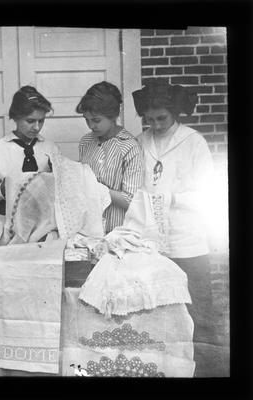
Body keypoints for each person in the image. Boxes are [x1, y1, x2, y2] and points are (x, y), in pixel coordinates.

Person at [132, 80, 215, 376]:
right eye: (149, 119)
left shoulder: (193, 142)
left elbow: (208, 193)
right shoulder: (142, 142)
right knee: (159, 310)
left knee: (197, 311)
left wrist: (173, 198)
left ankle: (206, 368)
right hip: (154, 239)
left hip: (188, 239)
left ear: (175, 113)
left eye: (162, 119)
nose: (155, 125)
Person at [77, 81, 144, 234]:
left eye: (96, 120)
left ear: (113, 115)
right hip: (89, 230)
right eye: (86, 120)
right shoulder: (86, 142)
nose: (91, 125)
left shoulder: (129, 147)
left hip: (119, 231)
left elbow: (132, 200)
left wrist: (97, 188)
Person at [0, 85, 59, 215]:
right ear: (15, 117)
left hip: (44, 218)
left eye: (41, 121)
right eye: (30, 121)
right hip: (8, 217)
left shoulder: (51, 148)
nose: (37, 127)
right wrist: (2, 190)